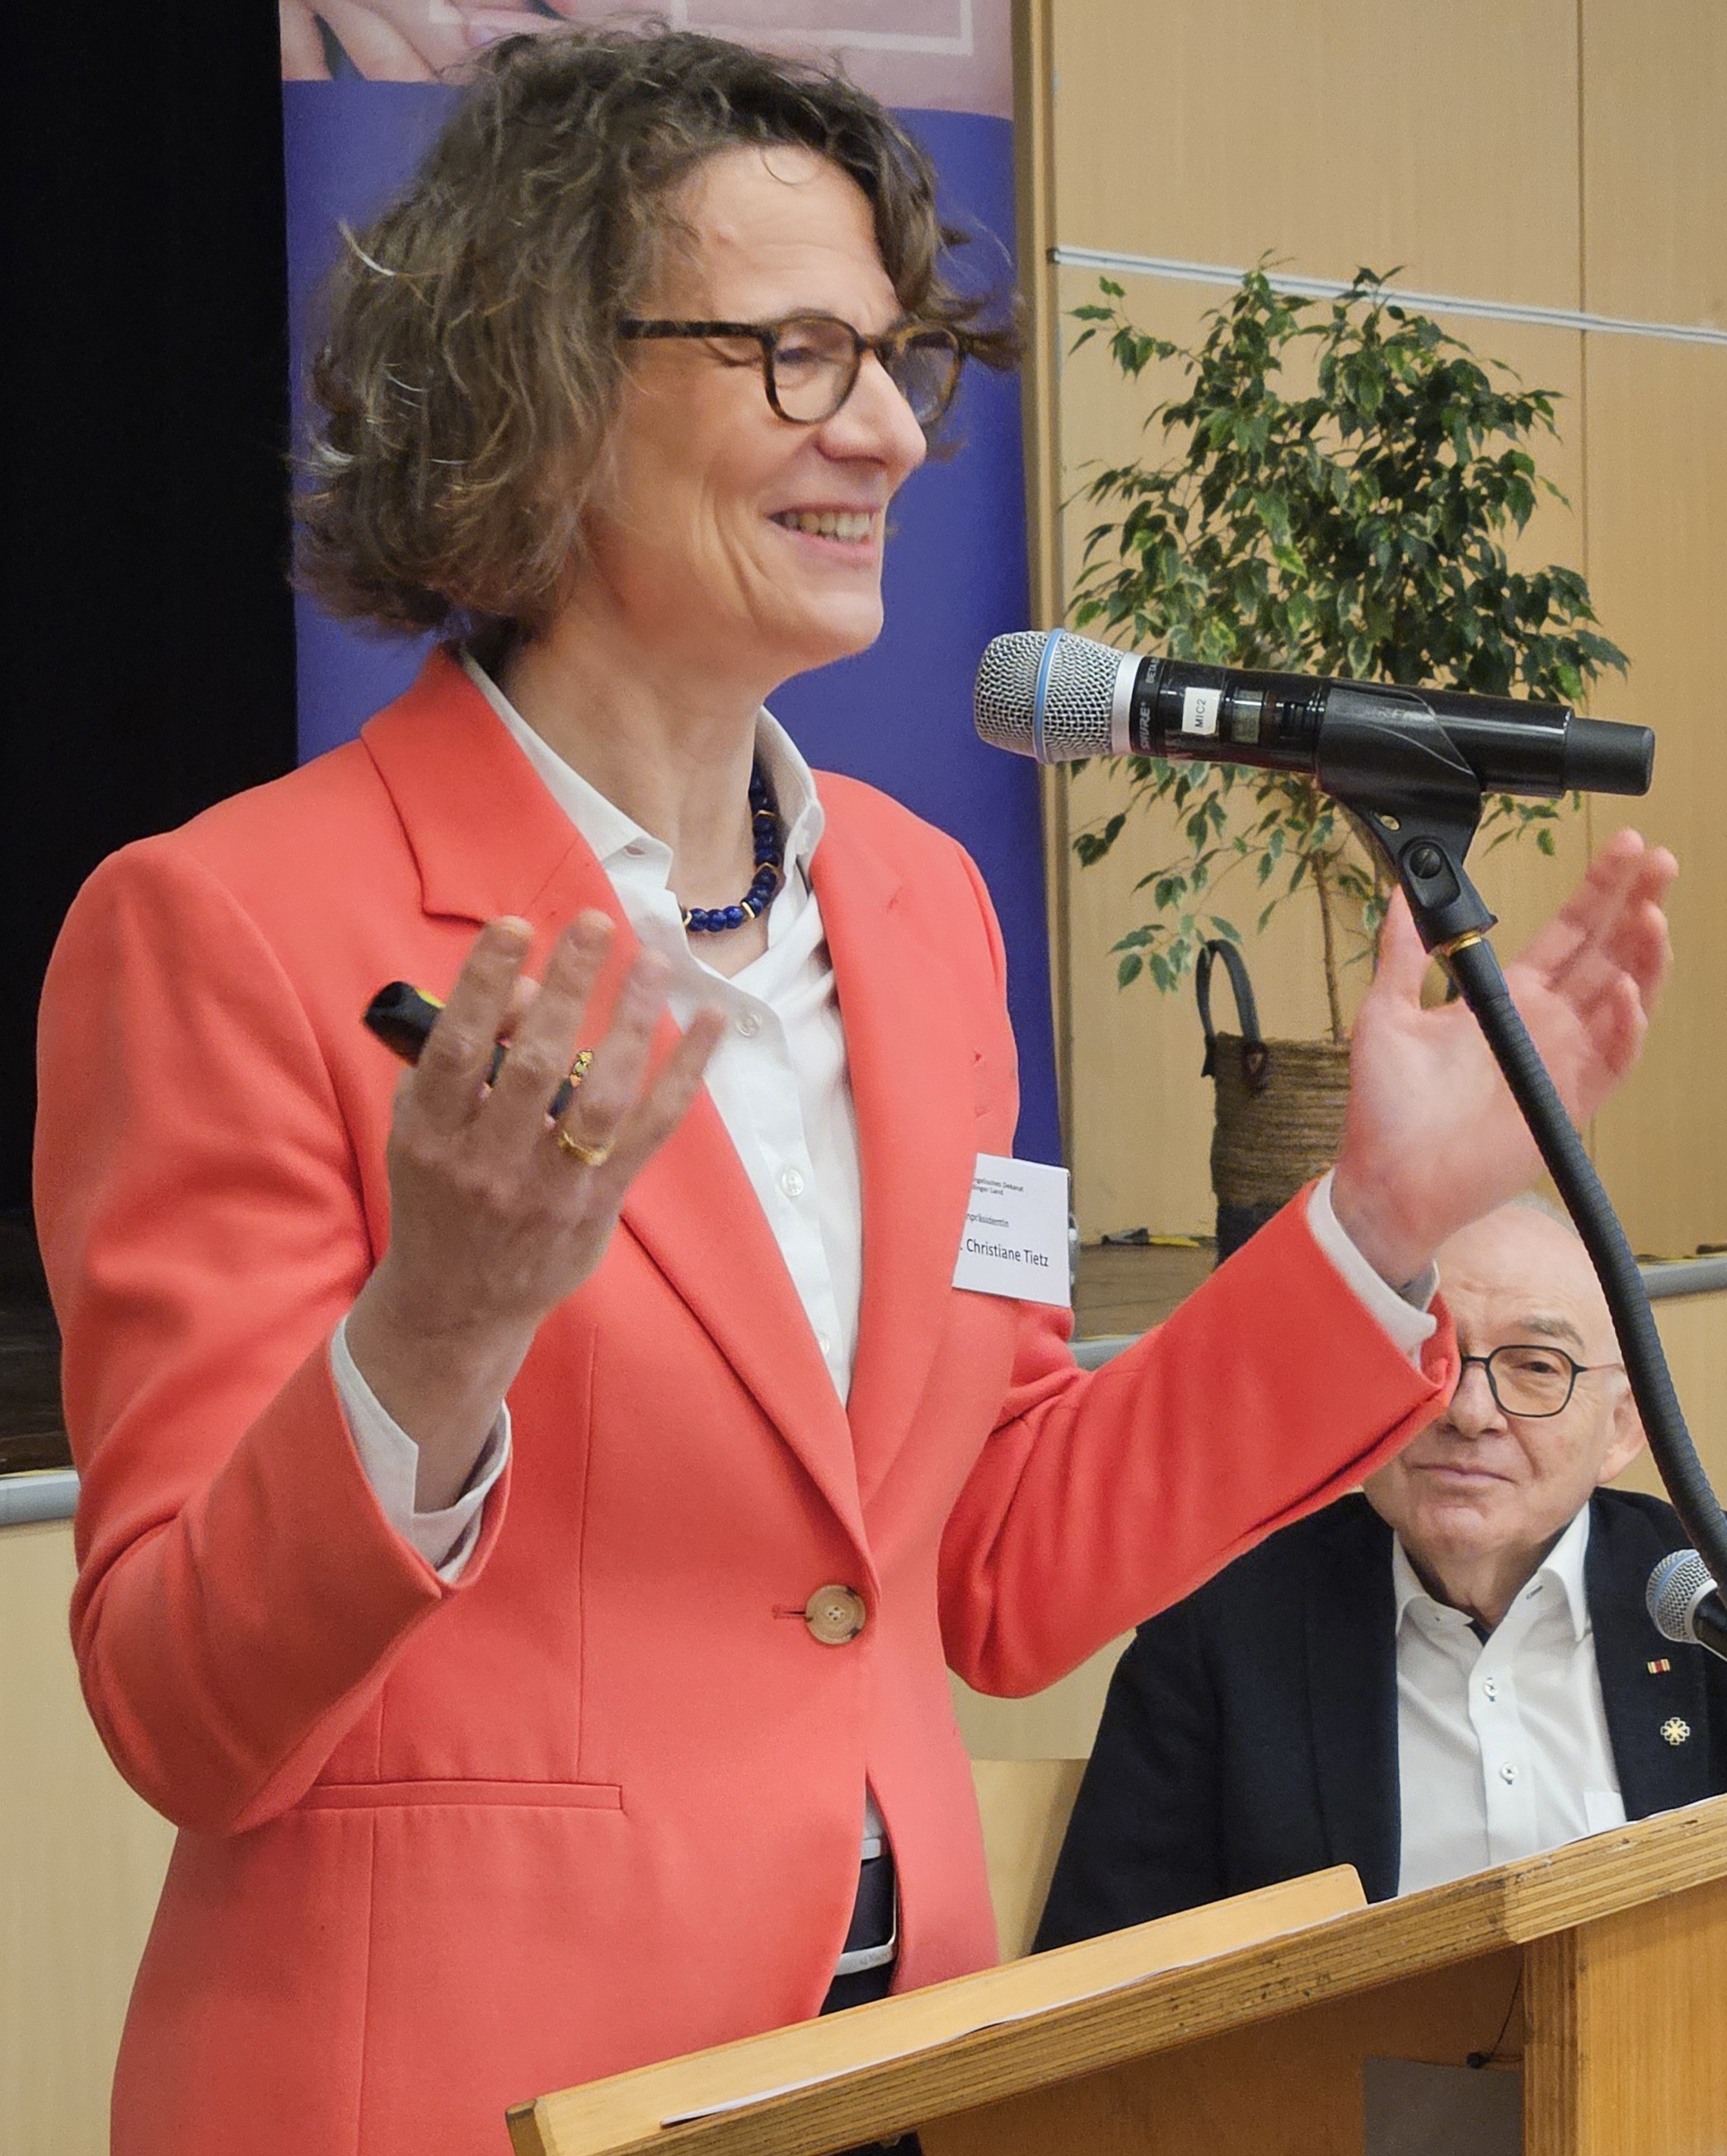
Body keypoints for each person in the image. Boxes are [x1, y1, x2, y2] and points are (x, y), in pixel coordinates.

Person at [33, 28, 1673, 2156]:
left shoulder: (915, 914)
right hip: (451, 2097)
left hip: (885, 2080)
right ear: (542, 380)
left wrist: (1367, 1225)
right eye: (800, 356)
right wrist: (435, 1329)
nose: (893, 432)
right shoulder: (233, 924)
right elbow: (182, 1710)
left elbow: (984, 1565)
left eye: (901, 361)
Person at [1037, 1200, 1727, 1951]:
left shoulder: (1705, 1606)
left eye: (1535, 1368)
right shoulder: (1225, 1624)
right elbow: (1106, 1969)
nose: (1468, 1411)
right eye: (1424, 1357)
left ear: (1621, 1428)